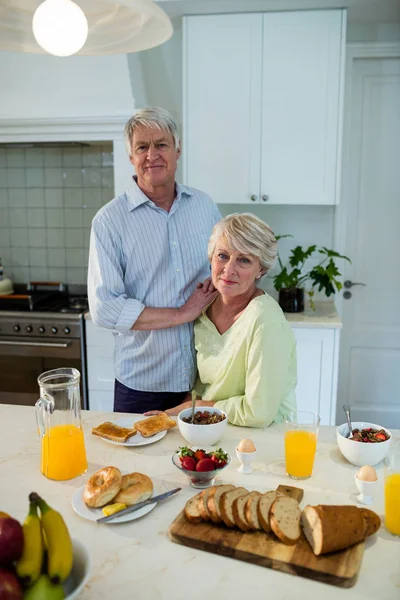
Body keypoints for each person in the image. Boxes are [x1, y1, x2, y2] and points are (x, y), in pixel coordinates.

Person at [88, 107, 221, 413]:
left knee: (201, 460)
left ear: (178, 149)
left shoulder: (204, 207)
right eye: (142, 147)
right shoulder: (110, 221)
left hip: (203, 379)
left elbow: (223, 272)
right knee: (137, 462)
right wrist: (181, 313)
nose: (152, 155)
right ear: (131, 157)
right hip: (141, 383)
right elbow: (105, 309)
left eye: (161, 144)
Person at [145, 213, 297, 427]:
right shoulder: (204, 308)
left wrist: (192, 409)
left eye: (244, 260)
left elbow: (259, 413)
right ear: (211, 257)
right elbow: (206, 386)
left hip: (266, 435)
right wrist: (171, 413)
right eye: (223, 256)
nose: (228, 269)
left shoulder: (265, 321)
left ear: (260, 269)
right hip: (213, 426)